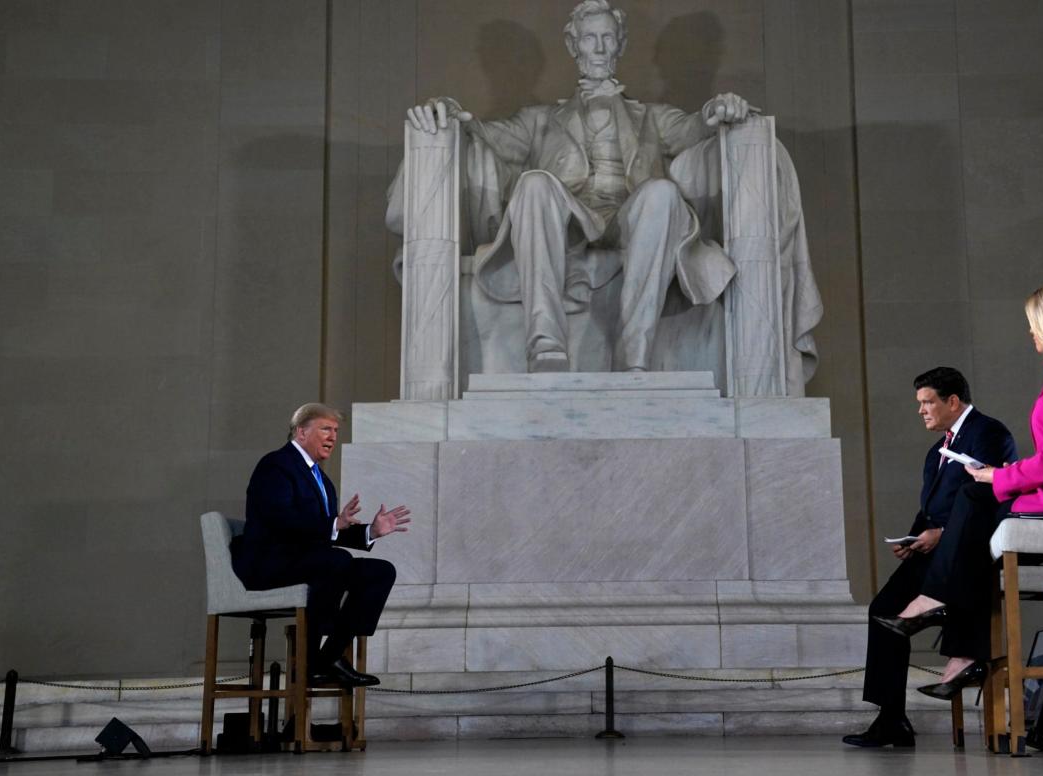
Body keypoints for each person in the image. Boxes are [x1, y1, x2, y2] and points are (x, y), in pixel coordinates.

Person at [402, 0, 820, 379]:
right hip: (567, 223)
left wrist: (719, 109)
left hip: (631, 219)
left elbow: (696, 127)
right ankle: (545, 341)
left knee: (661, 193)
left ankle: (634, 348)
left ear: (619, 46)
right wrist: (448, 109)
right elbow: (482, 132)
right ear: (574, 46)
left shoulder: (651, 117)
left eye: (607, 38)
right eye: (589, 38)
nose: (599, 48)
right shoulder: (540, 120)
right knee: (533, 184)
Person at [879, 278, 1043, 701]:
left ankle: (937, 608)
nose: (1032, 334)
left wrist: (999, 477)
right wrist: (1005, 476)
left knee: (974, 499)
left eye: (1035, 324)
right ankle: (959, 651)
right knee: (974, 531)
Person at [843, 367, 1016, 748]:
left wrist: (943, 534)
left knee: (910, 605)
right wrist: (914, 536)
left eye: (927, 402)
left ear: (952, 401)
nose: (921, 410)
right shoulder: (934, 449)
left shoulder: (989, 432)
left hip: (969, 550)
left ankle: (961, 657)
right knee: (883, 611)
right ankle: (891, 719)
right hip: (932, 549)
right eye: (919, 404)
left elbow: (988, 496)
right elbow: (932, 509)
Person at [230, 404, 412, 687]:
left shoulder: (321, 480)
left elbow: (330, 530)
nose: (333, 437)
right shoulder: (276, 464)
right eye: (326, 429)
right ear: (301, 432)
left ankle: (329, 656)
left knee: (379, 571)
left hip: (307, 562)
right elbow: (280, 519)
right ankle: (308, 660)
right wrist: (333, 525)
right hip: (268, 562)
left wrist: (370, 531)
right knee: (334, 561)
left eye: (336, 431)